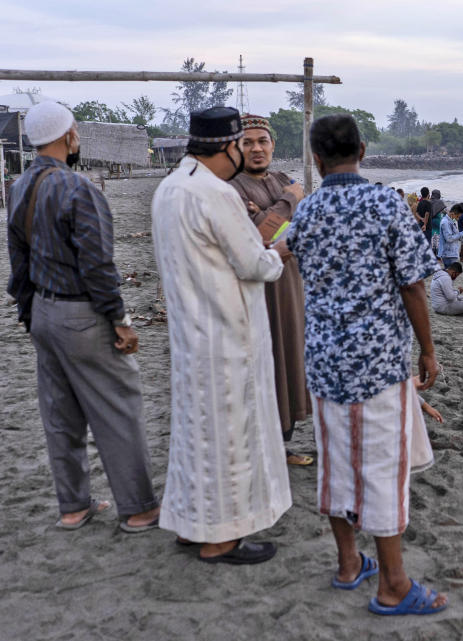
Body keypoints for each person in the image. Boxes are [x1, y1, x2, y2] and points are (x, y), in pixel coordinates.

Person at [286, 114, 448, 615]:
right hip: (377, 361)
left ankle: (349, 563)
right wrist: (427, 349)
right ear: (362, 148)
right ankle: (394, 585)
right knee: (383, 468)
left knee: (336, 463)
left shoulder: (307, 209)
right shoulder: (385, 203)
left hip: (324, 360)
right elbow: (414, 285)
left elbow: (282, 255)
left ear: (316, 157)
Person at [6, 101, 160, 532]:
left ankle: (73, 508)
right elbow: (97, 266)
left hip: (42, 313)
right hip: (82, 314)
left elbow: (17, 261)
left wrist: (28, 314)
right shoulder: (79, 189)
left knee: (60, 416)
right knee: (118, 409)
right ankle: (140, 509)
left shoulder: (18, 187)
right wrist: (120, 320)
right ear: (68, 136)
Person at [151, 106, 291, 564]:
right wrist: (283, 249)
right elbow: (257, 263)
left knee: (194, 436)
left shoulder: (171, 187)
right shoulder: (216, 195)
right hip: (226, 337)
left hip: (190, 335)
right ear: (229, 147)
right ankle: (221, 539)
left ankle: (192, 525)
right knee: (231, 440)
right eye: (242, 144)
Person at [230, 114, 313, 467]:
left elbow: (305, 228)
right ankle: (264, 446)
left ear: (272, 144)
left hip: (290, 283)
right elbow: (259, 239)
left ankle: (283, 443)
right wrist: (284, 206)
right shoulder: (231, 187)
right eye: (247, 142)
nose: (256, 148)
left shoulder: (283, 179)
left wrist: (266, 214)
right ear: (236, 147)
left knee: (292, 357)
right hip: (256, 290)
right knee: (265, 362)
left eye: (262, 141)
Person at [438, 203, 463, 268]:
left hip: (451, 253)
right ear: (453, 213)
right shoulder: (445, 222)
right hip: (448, 254)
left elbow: (453, 235)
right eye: (457, 217)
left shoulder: (450, 221)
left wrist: (461, 236)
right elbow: (449, 238)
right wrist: (461, 234)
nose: (458, 219)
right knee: (450, 274)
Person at [429, 189, 446, 255]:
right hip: (438, 219)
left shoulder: (429, 201)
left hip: (431, 220)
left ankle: (432, 250)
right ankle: (438, 252)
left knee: (432, 234)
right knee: (438, 234)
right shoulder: (440, 202)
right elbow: (444, 211)